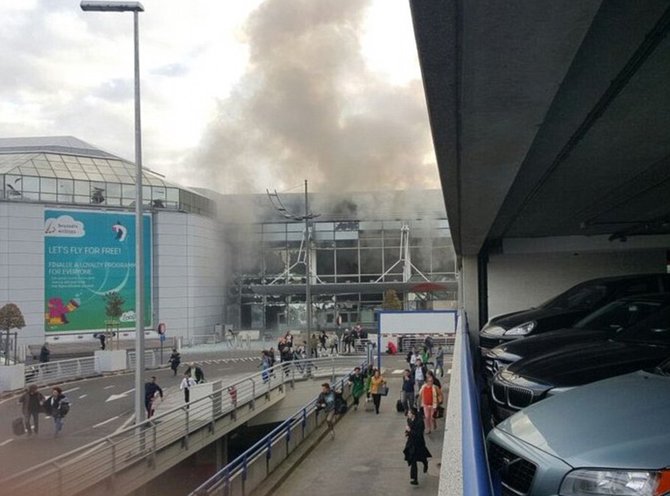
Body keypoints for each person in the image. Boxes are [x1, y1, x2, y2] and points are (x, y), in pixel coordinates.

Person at [403, 407, 432, 485]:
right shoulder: (409, 420)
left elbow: (419, 434)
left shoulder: (420, 422)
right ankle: (414, 478)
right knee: (413, 460)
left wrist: (410, 431)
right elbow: (409, 429)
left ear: (413, 414)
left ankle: (425, 463)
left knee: (421, 456)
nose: (408, 415)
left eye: (409, 413)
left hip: (418, 443)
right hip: (411, 443)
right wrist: (407, 432)